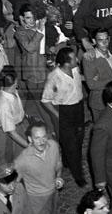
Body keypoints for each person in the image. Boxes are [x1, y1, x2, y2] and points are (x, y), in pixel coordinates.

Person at [41, 47, 86, 187]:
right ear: (66, 63)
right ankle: (78, 175)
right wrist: (57, 114)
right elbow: (45, 100)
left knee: (78, 138)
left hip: (78, 108)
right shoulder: (54, 77)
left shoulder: (75, 69)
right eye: (74, 58)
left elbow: (79, 80)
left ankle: (67, 161)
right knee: (71, 144)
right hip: (65, 111)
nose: (77, 59)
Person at [13, 121, 64, 214]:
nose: (42, 141)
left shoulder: (53, 146)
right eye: (37, 138)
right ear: (30, 139)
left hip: (54, 193)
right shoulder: (22, 159)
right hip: (37, 200)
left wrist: (58, 177)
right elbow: (9, 181)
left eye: (44, 137)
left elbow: (58, 164)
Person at [82, 28, 112, 121]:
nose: (104, 43)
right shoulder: (90, 58)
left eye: (106, 39)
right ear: (94, 41)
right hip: (100, 102)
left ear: (109, 39)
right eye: (100, 40)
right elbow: (91, 85)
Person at [0, 66, 29, 165]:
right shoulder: (4, 104)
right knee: (6, 163)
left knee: (19, 160)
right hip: (6, 135)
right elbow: (12, 133)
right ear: (15, 81)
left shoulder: (7, 89)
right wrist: (31, 147)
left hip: (17, 127)